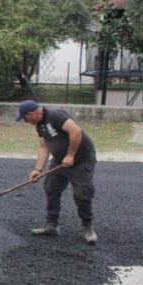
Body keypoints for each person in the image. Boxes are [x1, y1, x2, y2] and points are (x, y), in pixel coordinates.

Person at [16, 100, 98, 245]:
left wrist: (71, 155)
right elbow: (44, 147)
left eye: (25, 118)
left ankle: (87, 226)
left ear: (31, 114)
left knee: (82, 194)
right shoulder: (40, 125)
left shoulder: (55, 115)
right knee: (51, 188)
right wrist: (38, 169)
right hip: (61, 161)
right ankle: (51, 225)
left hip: (81, 160)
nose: (25, 121)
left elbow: (75, 131)